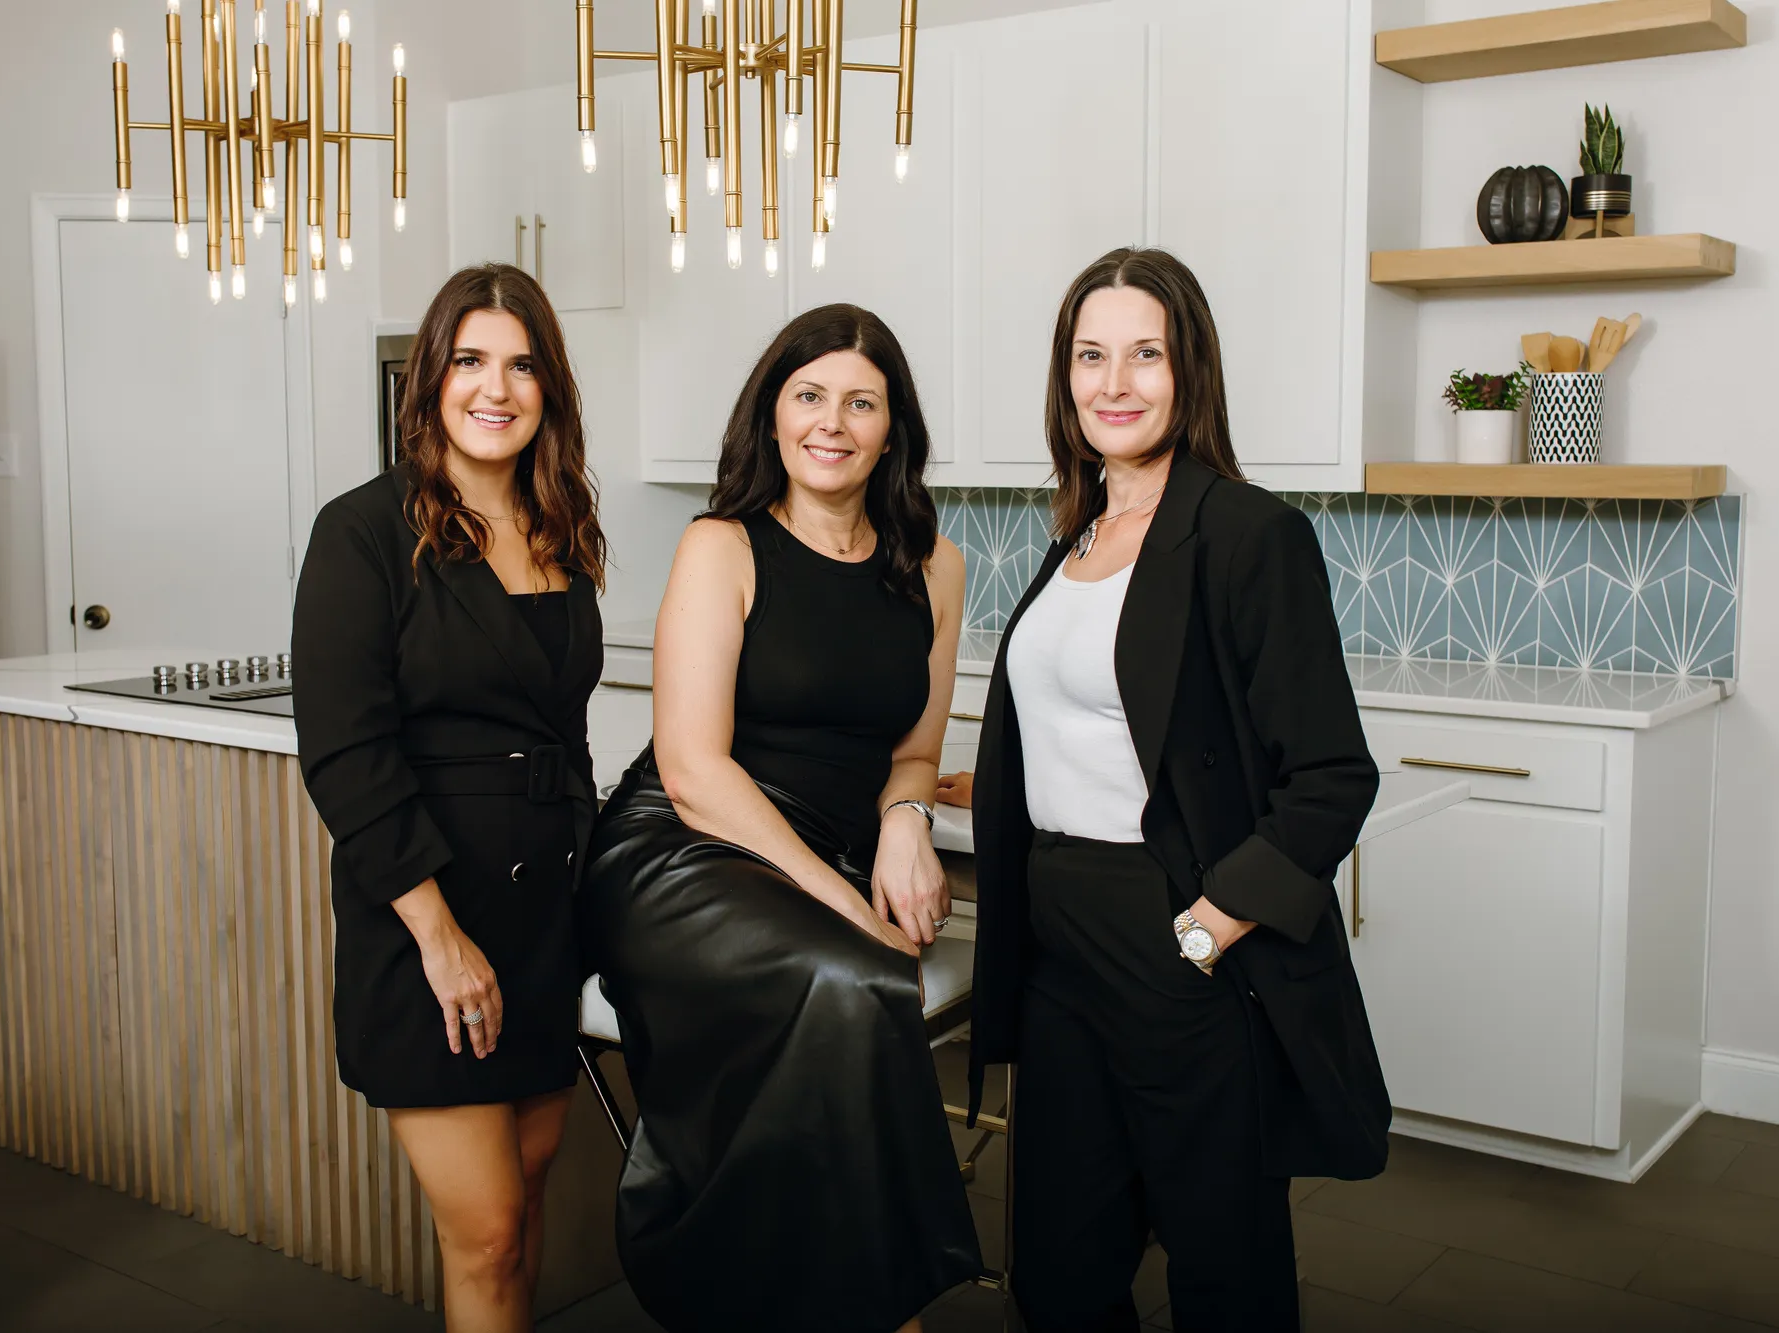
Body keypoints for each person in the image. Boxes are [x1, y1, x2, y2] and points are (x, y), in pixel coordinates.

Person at [965, 247, 1387, 1332]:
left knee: (1220, 1264)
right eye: (1089, 355)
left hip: (1178, 939)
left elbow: (1330, 773)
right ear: (1063, 379)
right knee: (1058, 1263)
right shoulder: (1075, 536)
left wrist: (1208, 927)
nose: (1115, 382)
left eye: (1144, 353)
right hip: (1057, 946)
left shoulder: (1246, 535)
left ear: (1186, 368)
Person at [578, 303, 981, 1332]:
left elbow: (916, 749)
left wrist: (902, 823)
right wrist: (837, 895)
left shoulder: (933, 564)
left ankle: (803, 1294)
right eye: (807, 395)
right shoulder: (722, 545)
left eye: (860, 400)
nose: (830, 421)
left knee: (854, 982)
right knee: (851, 972)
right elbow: (694, 766)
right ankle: (880, 1307)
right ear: (770, 415)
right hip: (682, 845)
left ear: (894, 428)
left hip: (828, 839)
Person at [293, 263, 606, 1333]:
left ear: (548, 390)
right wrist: (434, 932)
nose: (495, 387)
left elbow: (561, 737)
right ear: (429, 379)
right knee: (482, 1229)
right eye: (470, 360)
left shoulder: (560, 525)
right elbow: (345, 751)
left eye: (521, 366)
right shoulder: (364, 531)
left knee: (516, 1227)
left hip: (541, 920)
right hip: (428, 918)